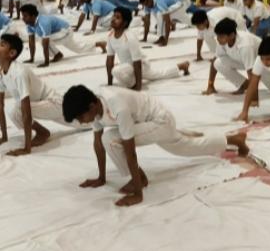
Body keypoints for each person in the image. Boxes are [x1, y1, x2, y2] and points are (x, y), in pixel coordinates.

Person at [62, 84, 249, 207]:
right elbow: (97, 143)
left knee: (111, 139)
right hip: (148, 123)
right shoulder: (94, 107)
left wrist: (138, 193)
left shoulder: (117, 106)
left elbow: (129, 150)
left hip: (160, 121)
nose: (81, 122)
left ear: (91, 106)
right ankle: (234, 139)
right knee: (187, 147)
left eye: (80, 117)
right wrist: (101, 178)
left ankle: (139, 180)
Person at [0, 34, 70, 156]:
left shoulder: (19, 72)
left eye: (2, 45)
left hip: (55, 103)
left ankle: (42, 133)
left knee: (17, 109)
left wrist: (27, 148)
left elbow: (26, 111)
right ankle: (42, 132)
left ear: (12, 53)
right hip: (41, 105)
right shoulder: (0, 73)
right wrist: (4, 137)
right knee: (14, 111)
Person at [104, 7, 189, 90]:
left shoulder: (130, 37)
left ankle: (133, 83)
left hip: (141, 65)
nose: (113, 19)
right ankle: (182, 66)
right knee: (158, 74)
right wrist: (109, 83)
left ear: (124, 23)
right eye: (114, 16)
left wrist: (138, 86)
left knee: (116, 71)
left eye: (117, 18)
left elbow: (137, 62)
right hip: (127, 67)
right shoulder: (110, 36)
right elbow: (109, 60)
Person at [202, 17, 270, 103]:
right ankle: (244, 84)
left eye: (221, 36)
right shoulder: (222, 42)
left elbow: (251, 72)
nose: (218, 39)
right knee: (217, 63)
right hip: (246, 61)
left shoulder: (245, 45)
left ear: (232, 35)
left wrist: (254, 98)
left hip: (266, 65)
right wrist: (210, 85)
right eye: (217, 36)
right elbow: (214, 60)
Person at [21, 4, 104, 67]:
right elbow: (31, 41)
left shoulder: (43, 22)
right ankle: (99, 44)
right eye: (23, 16)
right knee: (78, 48)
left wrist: (46, 62)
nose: (23, 18)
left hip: (65, 31)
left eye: (25, 16)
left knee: (43, 40)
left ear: (33, 16)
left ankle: (57, 54)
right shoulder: (29, 25)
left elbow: (46, 43)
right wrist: (31, 58)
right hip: (57, 34)